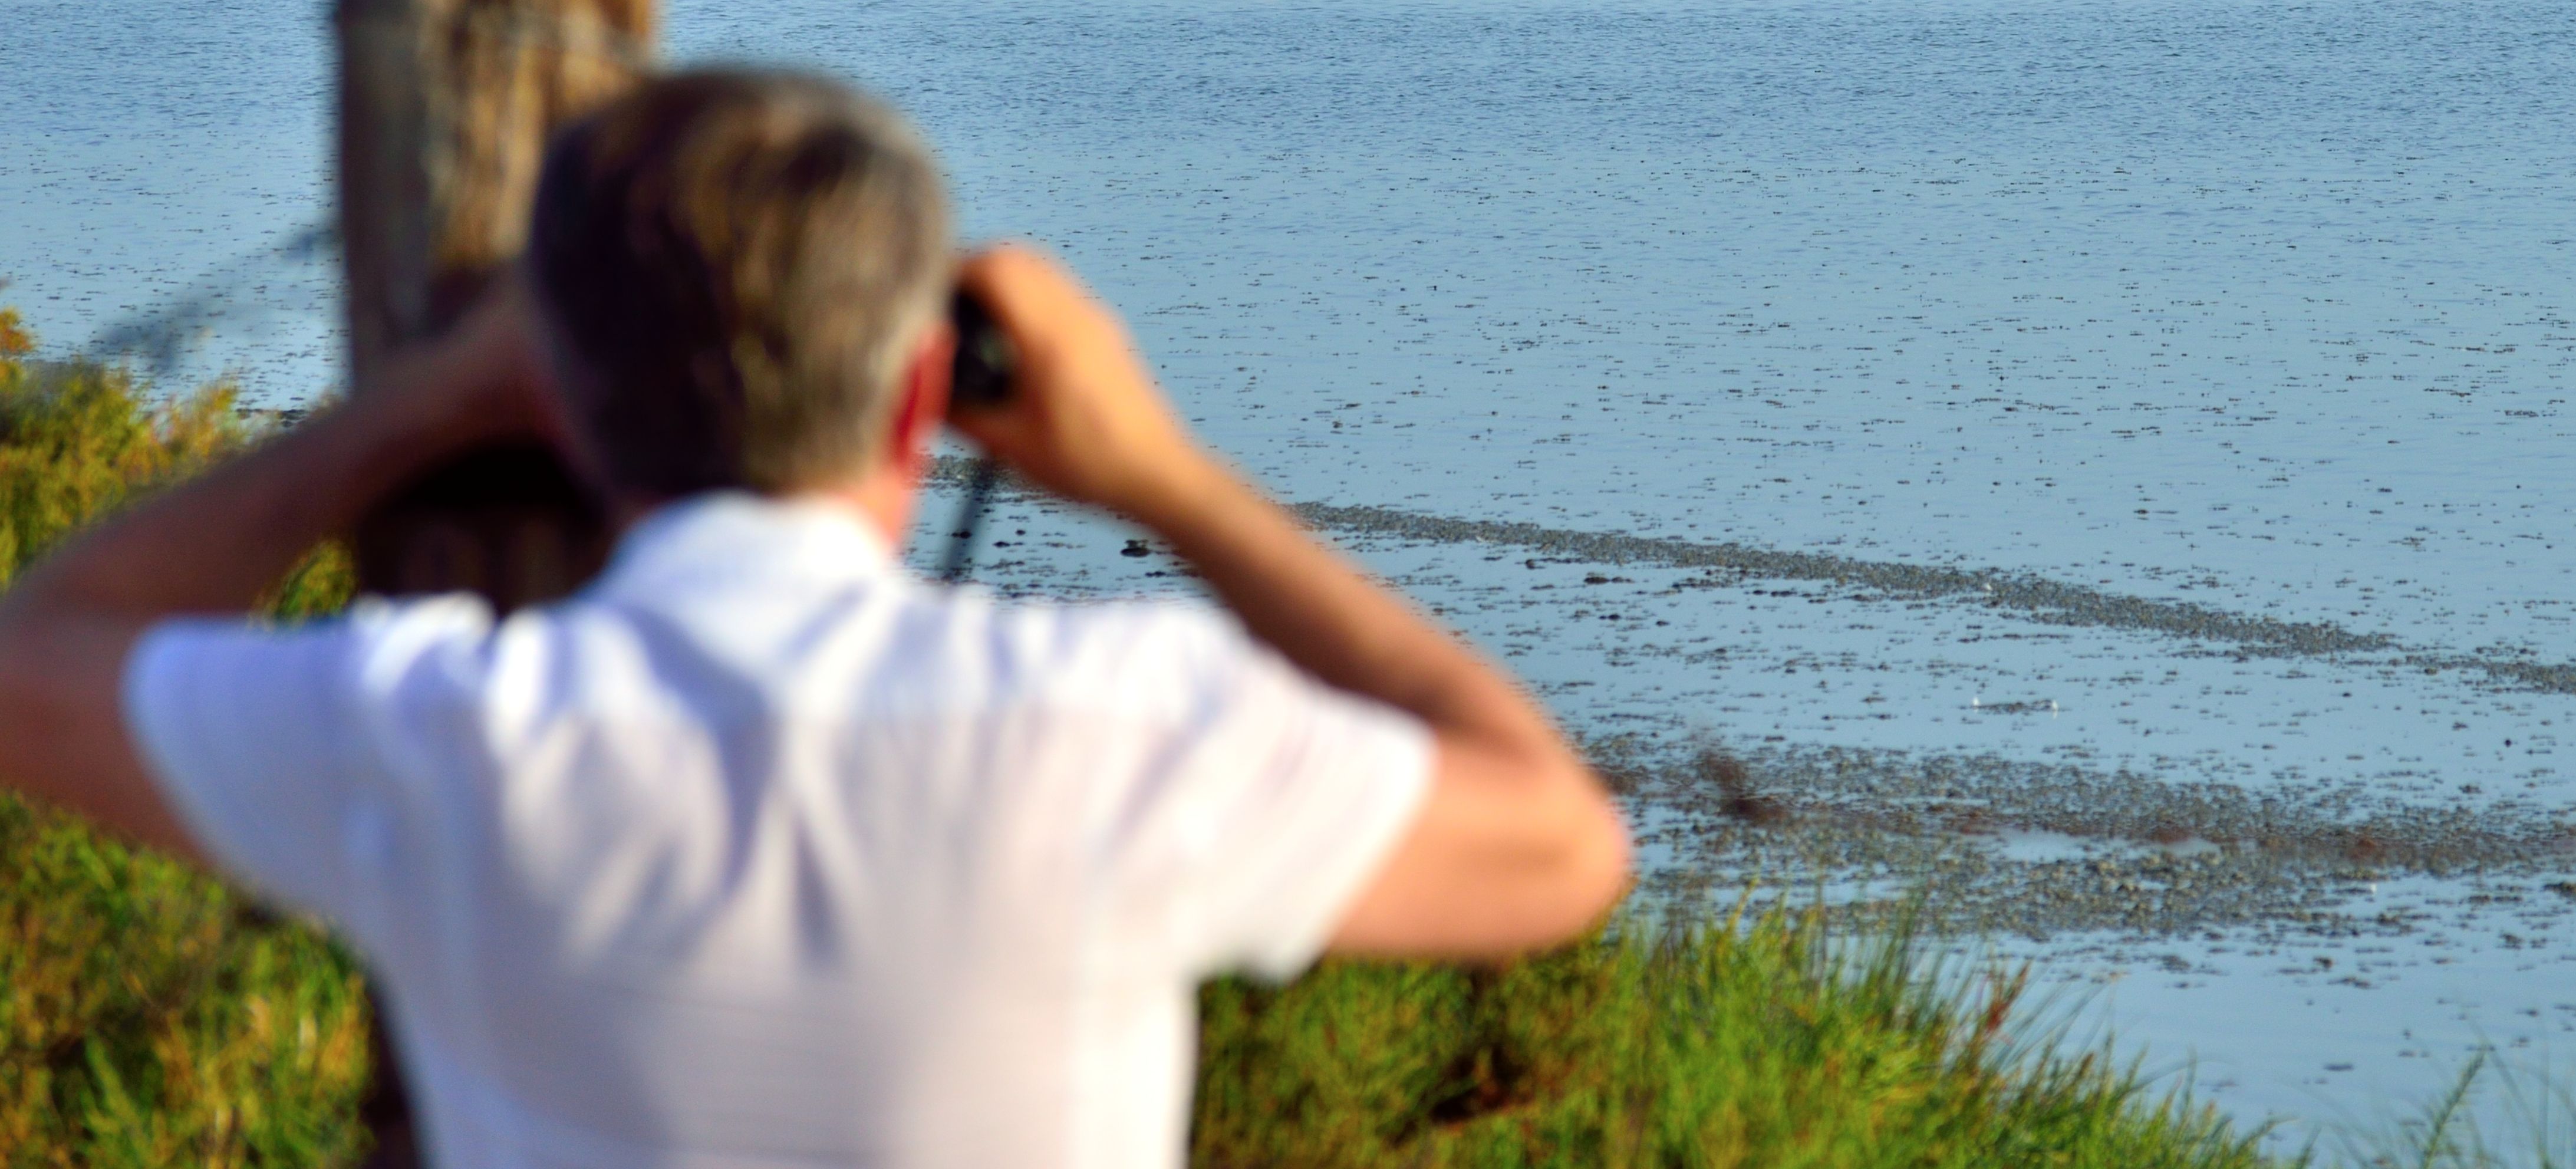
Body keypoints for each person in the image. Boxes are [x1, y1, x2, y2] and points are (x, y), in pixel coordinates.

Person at [0, 68, 1630, 1167]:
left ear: (558, 392)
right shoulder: (1115, 730)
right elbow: (1562, 846)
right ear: (927, 386)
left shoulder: (445, 741)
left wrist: (412, 408)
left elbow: (34, 665)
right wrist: (1162, 476)